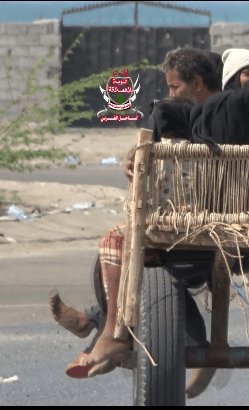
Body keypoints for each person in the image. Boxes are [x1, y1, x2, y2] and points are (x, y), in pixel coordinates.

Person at [50, 47, 224, 382]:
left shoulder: (196, 117)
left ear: (197, 82)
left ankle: (109, 333)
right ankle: (94, 324)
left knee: (115, 242)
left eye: (175, 87)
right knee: (142, 259)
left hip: (201, 229)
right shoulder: (232, 114)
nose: (171, 94)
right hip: (223, 223)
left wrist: (141, 155)